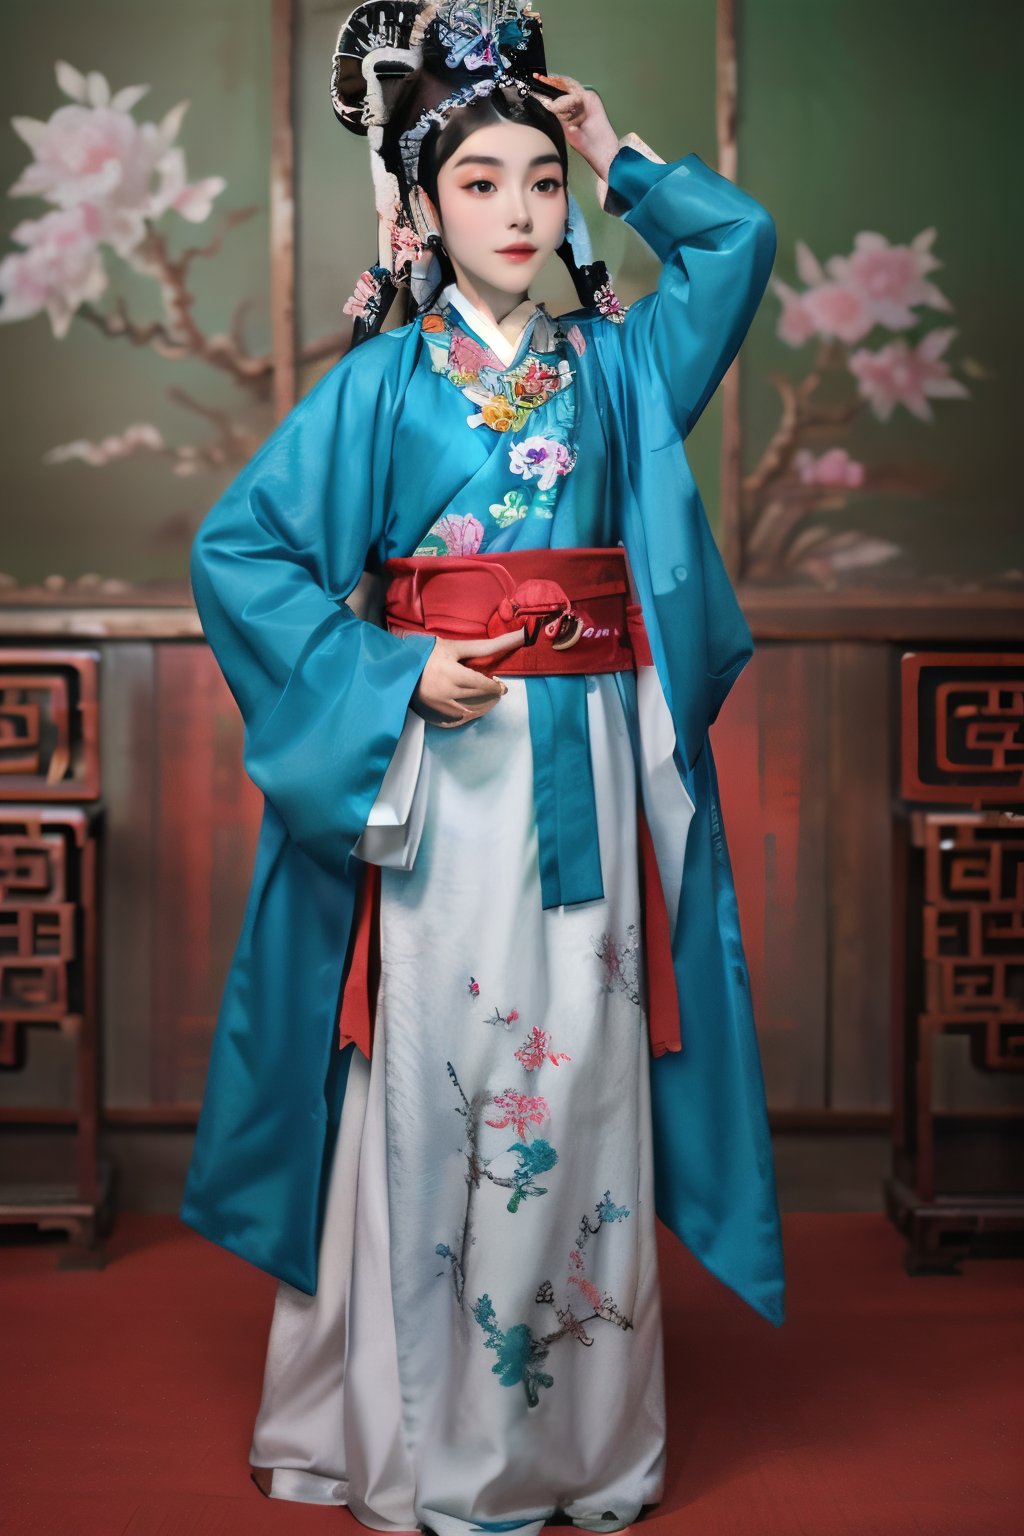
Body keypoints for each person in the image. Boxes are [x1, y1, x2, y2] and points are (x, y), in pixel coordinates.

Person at [180, 4, 786, 1533]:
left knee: (577, 1077)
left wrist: (622, 154)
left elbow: (739, 248)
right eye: (481, 185)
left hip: (588, 762)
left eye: (538, 182)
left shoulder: (623, 371)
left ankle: (578, 1446)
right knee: (448, 1090)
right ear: (419, 210)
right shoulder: (381, 387)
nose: (519, 212)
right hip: (440, 788)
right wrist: (393, 676)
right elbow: (240, 550)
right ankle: (426, 1439)